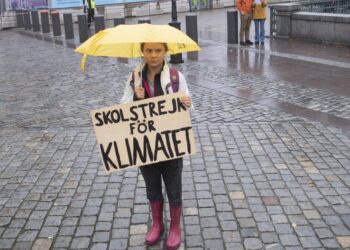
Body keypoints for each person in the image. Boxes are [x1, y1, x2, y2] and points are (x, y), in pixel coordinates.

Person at [120, 42, 192, 250]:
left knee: (173, 186)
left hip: (171, 143)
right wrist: (135, 98)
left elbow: (187, 101)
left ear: (165, 52)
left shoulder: (176, 77)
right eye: (149, 51)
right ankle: (158, 223)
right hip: (146, 145)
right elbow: (124, 104)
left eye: (158, 51)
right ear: (142, 52)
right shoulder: (134, 77)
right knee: (152, 185)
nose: (153, 55)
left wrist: (187, 102)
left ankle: (175, 227)